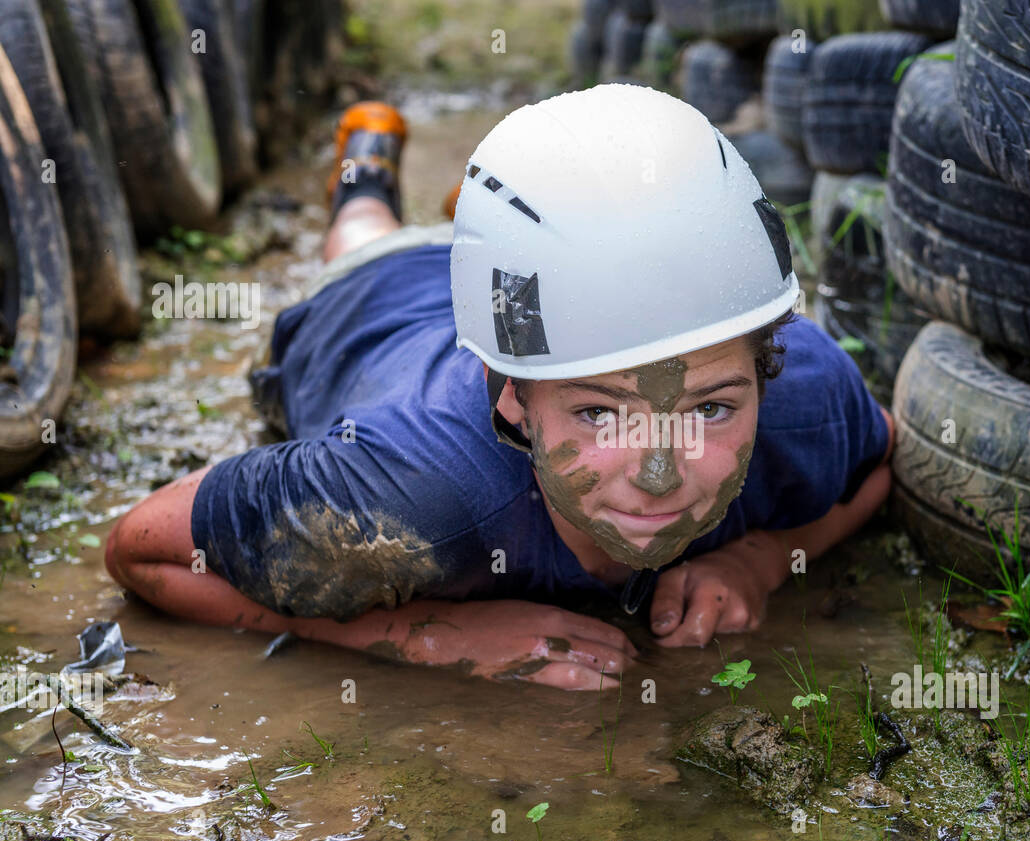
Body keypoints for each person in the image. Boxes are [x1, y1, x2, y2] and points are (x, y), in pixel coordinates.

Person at [105, 84, 895, 691]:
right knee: (364, 236)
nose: (660, 474)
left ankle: (475, 222)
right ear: (510, 397)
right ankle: (368, 170)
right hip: (376, 300)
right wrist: (429, 631)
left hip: (525, 299)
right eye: (598, 411)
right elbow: (142, 549)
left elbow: (879, 464)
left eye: (711, 408)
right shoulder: (414, 492)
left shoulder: (807, 401)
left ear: (767, 368)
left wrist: (759, 559)